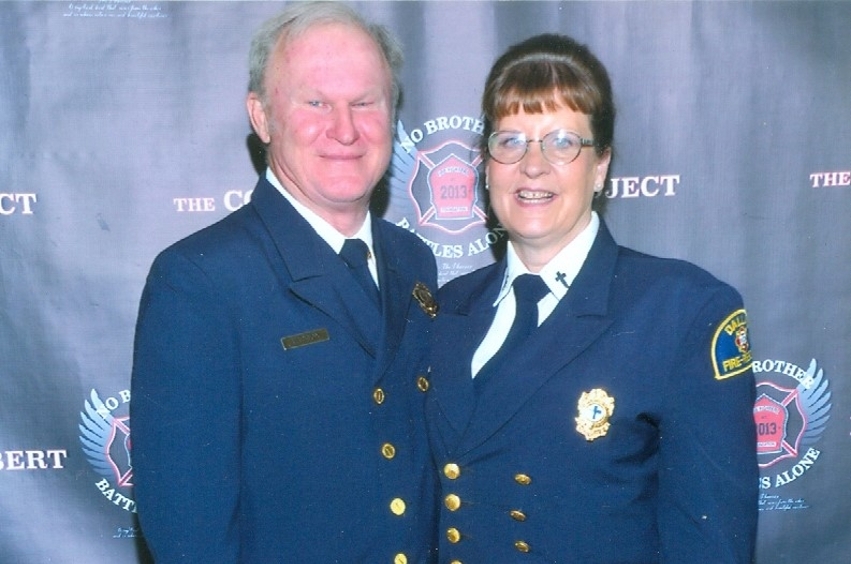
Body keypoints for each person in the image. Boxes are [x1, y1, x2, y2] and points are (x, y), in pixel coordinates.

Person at [426, 33, 758, 562]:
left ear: (600, 166)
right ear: (486, 163)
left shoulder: (681, 312)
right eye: (510, 140)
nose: (532, 165)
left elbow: (712, 543)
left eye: (562, 142)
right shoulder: (445, 312)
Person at [131, 3, 439, 562]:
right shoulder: (201, 281)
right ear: (262, 116)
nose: (344, 129)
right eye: (315, 102)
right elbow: (190, 535)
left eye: (365, 103)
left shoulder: (413, 262)